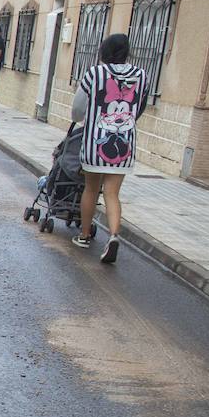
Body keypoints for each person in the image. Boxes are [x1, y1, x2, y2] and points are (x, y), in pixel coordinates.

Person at [71, 33, 145, 265]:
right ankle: (113, 236)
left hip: (95, 142)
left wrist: (82, 118)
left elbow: (78, 108)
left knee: (91, 189)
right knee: (112, 193)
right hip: (124, 143)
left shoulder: (94, 73)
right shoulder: (141, 75)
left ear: (104, 51)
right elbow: (139, 107)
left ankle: (84, 236)